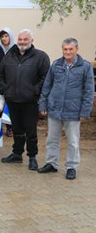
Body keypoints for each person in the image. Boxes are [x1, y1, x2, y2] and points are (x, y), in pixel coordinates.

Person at [37, 38, 94, 180]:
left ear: (76, 49)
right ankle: (51, 163)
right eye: (65, 49)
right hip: (55, 109)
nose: (67, 52)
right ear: (62, 49)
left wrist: (85, 111)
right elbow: (47, 86)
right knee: (52, 139)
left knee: (73, 141)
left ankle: (71, 167)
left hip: (73, 111)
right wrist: (43, 104)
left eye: (71, 49)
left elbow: (88, 91)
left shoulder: (85, 67)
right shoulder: (56, 64)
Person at [0, 29, 50, 171]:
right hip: (12, 100)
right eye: (20, 39)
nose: (22, 42)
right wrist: (5, 89)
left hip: (30, 101)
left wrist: (35, 91)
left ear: (32, 41)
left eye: (25, 39)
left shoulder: (41, 57)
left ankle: (32, 157)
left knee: (30, 131)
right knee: (17, 129)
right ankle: (17, 154)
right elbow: (0, 74)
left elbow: (45, 77)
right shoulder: (9, 56)